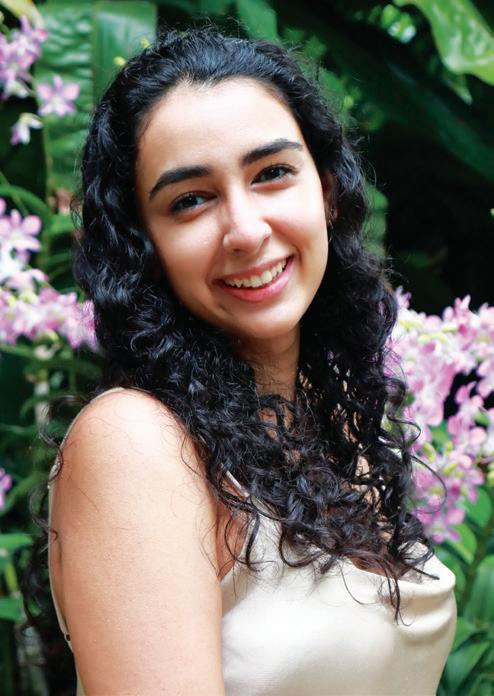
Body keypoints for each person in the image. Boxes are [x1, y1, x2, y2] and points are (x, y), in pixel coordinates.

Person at [42, 28, 456, 695]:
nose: (245, 230)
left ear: (325, 191)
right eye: (190, 200)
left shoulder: (330, 424)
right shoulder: (136, 444)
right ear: (143, 245)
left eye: (271, 174)